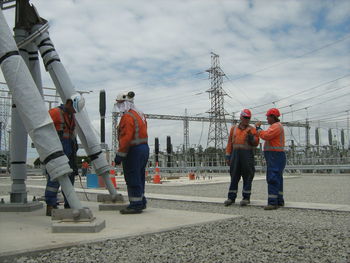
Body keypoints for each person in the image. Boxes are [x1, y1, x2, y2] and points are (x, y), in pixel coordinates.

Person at [45, 98, 81, 216]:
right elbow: (46, 132)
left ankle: (69, 203)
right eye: (74, 109)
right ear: (69, 103)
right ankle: (50, 205)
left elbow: (71, 133)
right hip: (57, 151)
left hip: (69, 150)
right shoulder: (54, 113)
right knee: (55, 178)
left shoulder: (71, 116)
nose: (74, 112)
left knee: (70, 177)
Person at [114, 91, 149, 214]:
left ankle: (135, 204)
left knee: (132, 176)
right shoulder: (140, 115)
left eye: (119, 104)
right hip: (144, 148)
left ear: (124, 103)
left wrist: (119, 155)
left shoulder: (127, 117)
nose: (119, 107)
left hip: (133, 150)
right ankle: (141, 201)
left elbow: (126, 138)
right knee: (139, 176)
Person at [224, 109, 259, 207]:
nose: (247, 120)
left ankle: (246, 198)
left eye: (248, 118)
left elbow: (256, 142)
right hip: (235, 155)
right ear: (241, 117)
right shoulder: (234, 129)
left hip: (247, 156)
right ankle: (231, 197)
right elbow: (229, 143)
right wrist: (228, 155)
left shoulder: (252, 129)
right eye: (245, 117)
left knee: (248, 176)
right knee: (234, 176)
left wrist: (252, 139)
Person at [255, 108, 286, 210]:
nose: (267, 119)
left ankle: (272, 202)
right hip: (276, 155)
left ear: (273, 117)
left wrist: (258, 128)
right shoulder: (276, 126)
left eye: (268, 117)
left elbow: (266, 135)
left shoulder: (276, 126)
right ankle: (279, 200)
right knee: (278, 178)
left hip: (274, 156)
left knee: (272, 177)